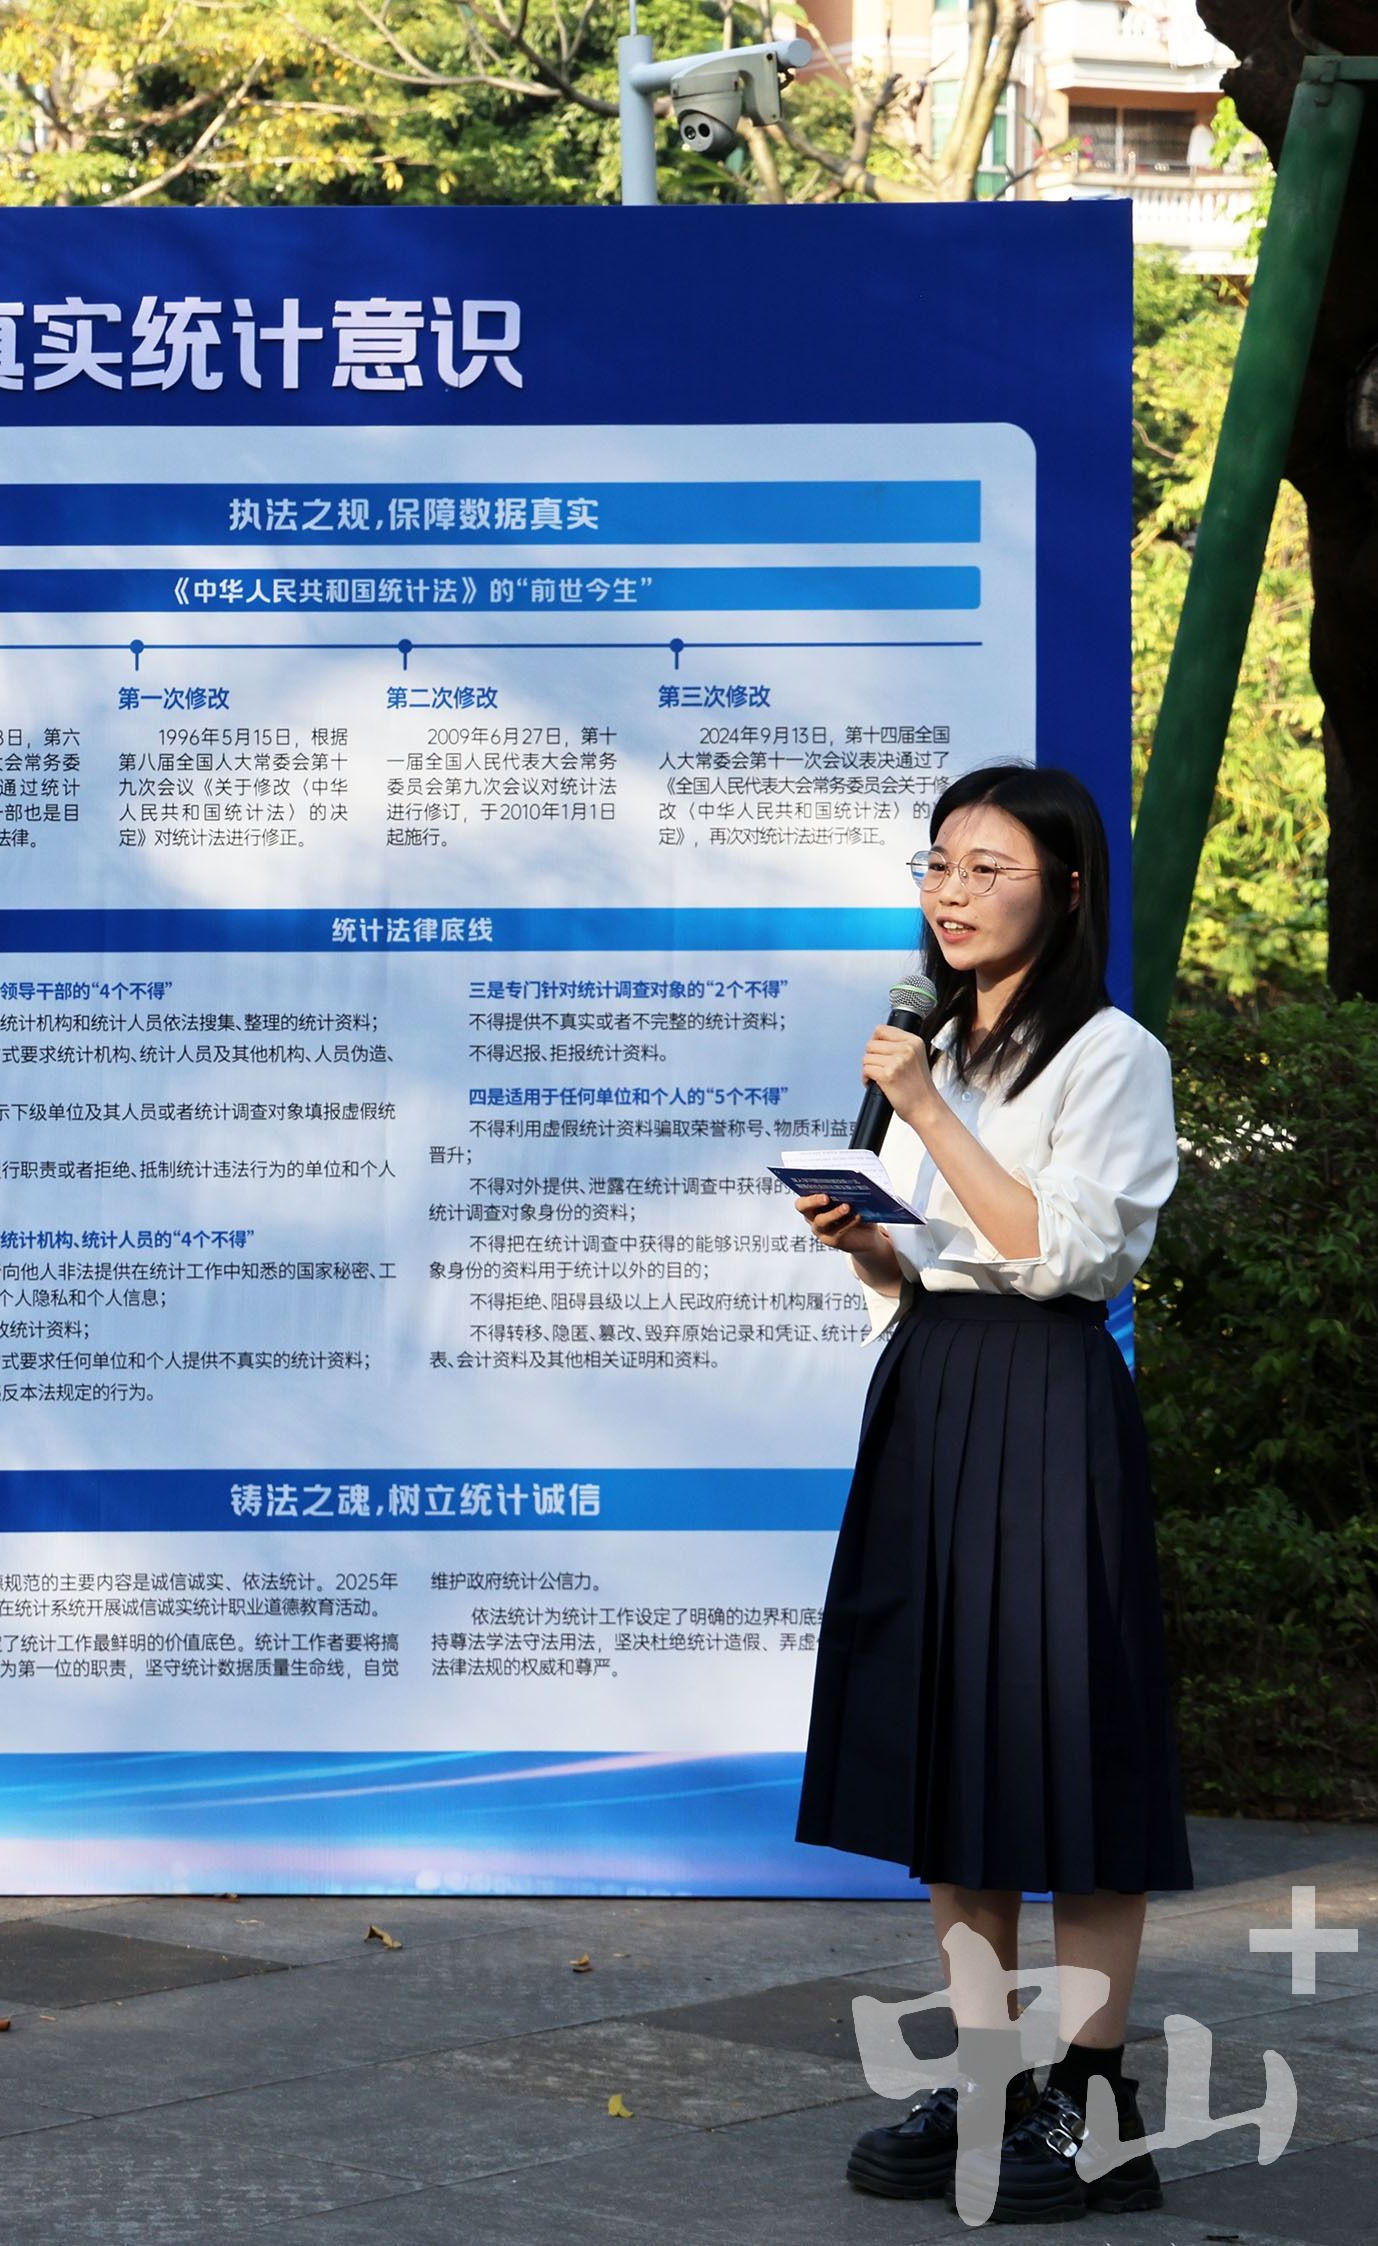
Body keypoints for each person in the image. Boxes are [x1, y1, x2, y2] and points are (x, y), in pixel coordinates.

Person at [790, 761, 1182, 2223]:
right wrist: (868, 1245)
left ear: (1065, 890)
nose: (950, 895)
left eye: (986, 868)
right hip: (934, 1386)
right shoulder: (938, 1043)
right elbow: (941, 1252)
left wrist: (924, 1105)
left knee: (1075, 1751)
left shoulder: (1111, 1055)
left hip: (1047, 1399)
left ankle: (1098, 2107)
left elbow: (1065, 1249)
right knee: (948, 1746)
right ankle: (990, 2082)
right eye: (938, 865)